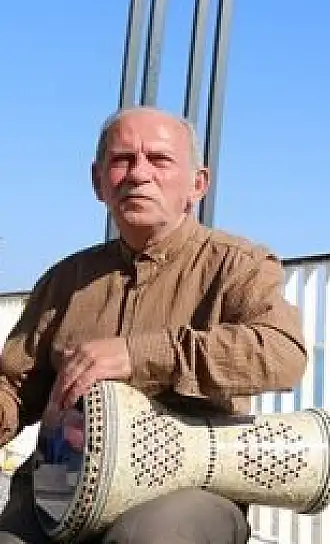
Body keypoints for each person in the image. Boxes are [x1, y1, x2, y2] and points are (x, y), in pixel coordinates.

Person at [0, 106, 308, 544]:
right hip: (63, 487)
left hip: (190, 489)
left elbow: (282, 352)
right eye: (122, 159)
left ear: (198, 183)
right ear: (98, 181)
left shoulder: (238, 266)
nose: (138, 174)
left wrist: (139, 354)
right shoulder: (64, 280)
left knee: (146, 537)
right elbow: (15, 386)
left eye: (159, 159)